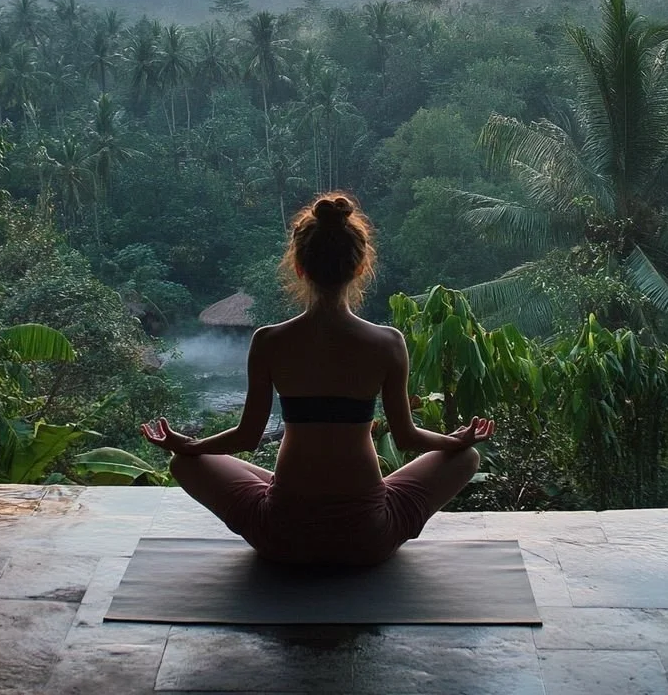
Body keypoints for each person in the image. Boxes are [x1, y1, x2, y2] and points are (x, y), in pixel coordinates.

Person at [141, 192, 494, 565]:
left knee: (184, 464)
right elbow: (407, 438)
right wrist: (454, 440)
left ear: (299, 268)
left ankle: (278, 493)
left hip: (283, 538)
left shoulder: (269, 341)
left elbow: (245, 437)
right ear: (360, 268)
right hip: (367, 539)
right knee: (465, 457)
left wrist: (190, 446)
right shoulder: (387, 343)